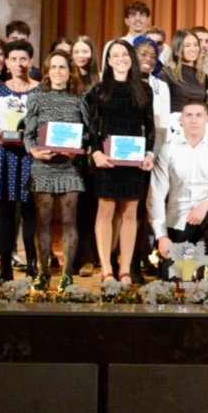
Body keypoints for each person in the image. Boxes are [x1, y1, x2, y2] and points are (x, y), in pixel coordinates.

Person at [87, 39, 155, 283]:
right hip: (107, 159)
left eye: (124, 54)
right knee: (105, 210)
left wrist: (149, 153)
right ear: (108, 60)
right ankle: (106, 269)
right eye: (115, 55)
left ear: (132, 58)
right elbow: (91, 127)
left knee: (129, 212)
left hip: (134, 160)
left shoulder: (144, 89)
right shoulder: (99, 90)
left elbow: (150, 127)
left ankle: (125, 269)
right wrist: (96, 152)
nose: (120, 59)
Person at [24, 50, 90, 289]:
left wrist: (78, 149)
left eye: (62, 67)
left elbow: (88, 134)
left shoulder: (79, 99)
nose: (58, 71)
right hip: (43, 167)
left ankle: (67, 275)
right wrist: (34, 152)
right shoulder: (36, 98)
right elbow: (28, 135)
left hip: (70, 167)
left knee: (69, 222)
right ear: (47, 70)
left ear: (69, 71)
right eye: (53, 67)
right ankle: (43, 273)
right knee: (43, 222)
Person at [149, 100, 208, 281]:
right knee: (170, 280)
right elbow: (156, 195)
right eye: (188, 115)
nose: (193, 120)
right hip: (179, 220)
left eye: (199, 115)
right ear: (181, 119)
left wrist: (205, 205)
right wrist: (161, 236)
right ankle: (191, 264)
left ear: (207, 119)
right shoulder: (168, 149)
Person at [0, 40, 40, 282]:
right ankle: (5, 265)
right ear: (6, 63)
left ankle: (33, 264)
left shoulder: (39, 90)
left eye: (23, 59)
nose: (19, 64)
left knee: (30, 212)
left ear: (31, 61)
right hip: (3, 157)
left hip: (29, 157)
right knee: (3, 213)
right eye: (14, 59)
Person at [163, 29, 208, 112]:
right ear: (177, 48)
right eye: (187, 45)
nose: (193, 49)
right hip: (175, 122)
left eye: (195, 45)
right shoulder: (166, 74)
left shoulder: (203, 76)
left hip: (197, 122)